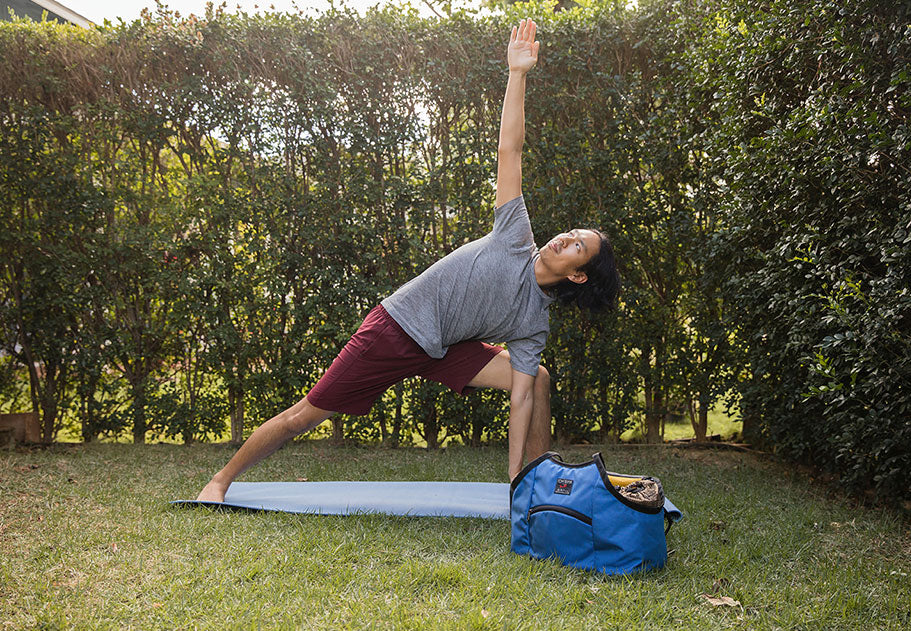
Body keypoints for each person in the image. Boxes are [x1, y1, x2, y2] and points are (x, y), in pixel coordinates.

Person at [196, 18, 620, 502]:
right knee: (306, 416)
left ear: (578, 274)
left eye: (577, 245)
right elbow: (511, 149)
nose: (564, 238)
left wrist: (512, 482)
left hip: (445, 347)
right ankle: (221, 480)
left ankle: (536, 491)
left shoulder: (533, 321)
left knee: (536, 380)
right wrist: (517, 74)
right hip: (397, 328)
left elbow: (521, 397)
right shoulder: (514, 236)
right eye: (569, 233)